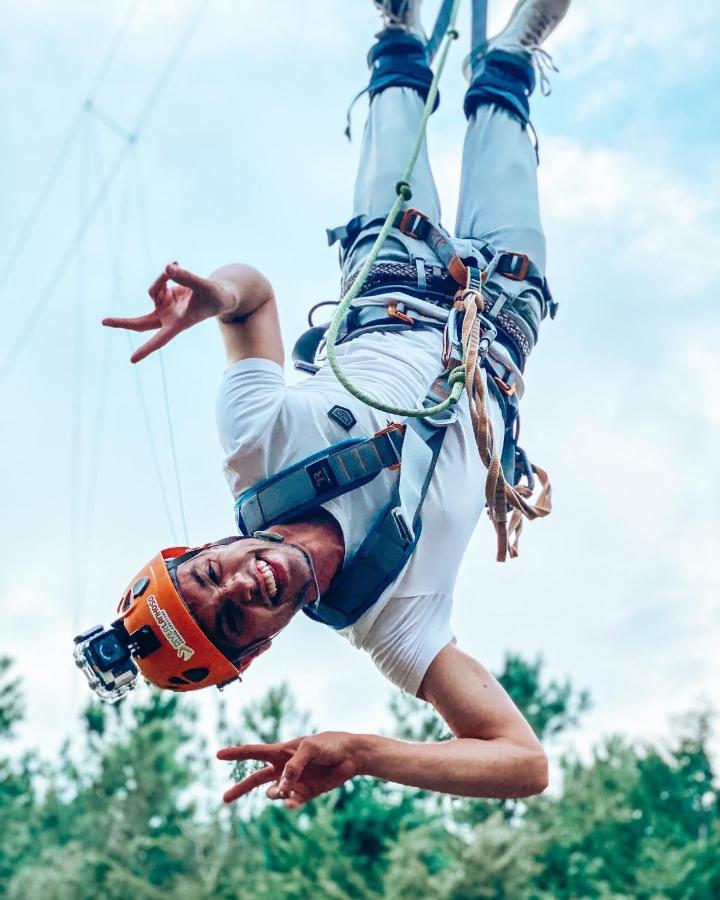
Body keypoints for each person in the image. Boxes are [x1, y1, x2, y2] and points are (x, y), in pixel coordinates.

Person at [98, 0, 570, 809]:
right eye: (230, 623)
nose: (240, 588)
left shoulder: (256, 449)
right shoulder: (393, 624)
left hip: (393, 259)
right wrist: (362, 750)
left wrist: (214, 297)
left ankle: (395, 27)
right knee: (503, 94)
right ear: (255, 655)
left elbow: (253, 305)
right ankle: (512, 58)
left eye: (211, 575)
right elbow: (523, 763)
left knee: (398, 75)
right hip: (500, 314)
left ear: (206, 545)